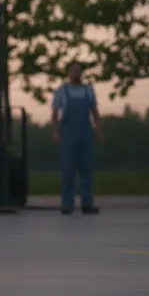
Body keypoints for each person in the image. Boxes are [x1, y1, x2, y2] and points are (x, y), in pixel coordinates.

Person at [50, 61, 102, 215]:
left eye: (78, 71)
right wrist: (55, 132)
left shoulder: (89, 90)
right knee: (68, 169)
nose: (75, 74)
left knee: (87, 167)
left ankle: (87, 203)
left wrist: (99, 131)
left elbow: (95, 112)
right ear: (68, 73)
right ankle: (67, 203)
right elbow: (54, 115)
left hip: (85, 132)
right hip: (68, 133)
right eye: (73, 71)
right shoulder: (61, 91)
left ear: (82, 73)